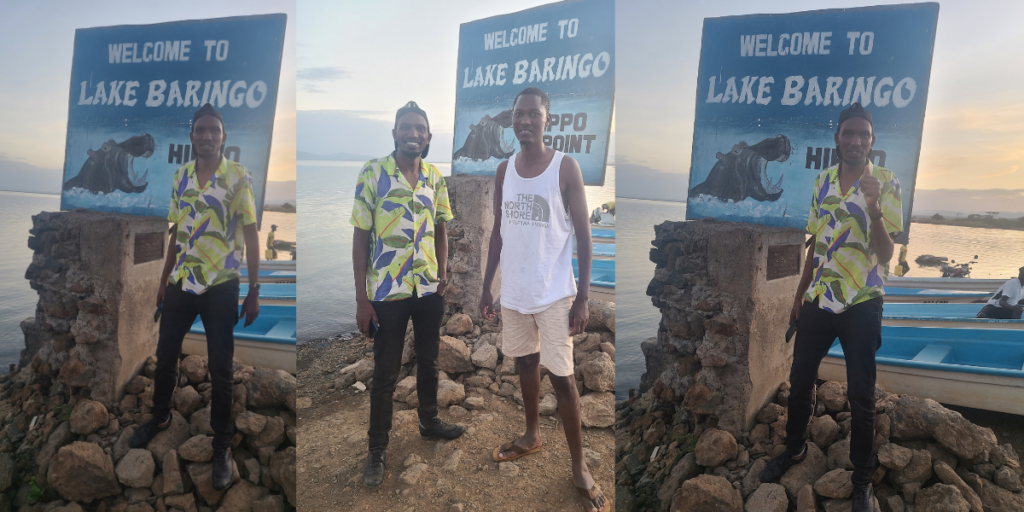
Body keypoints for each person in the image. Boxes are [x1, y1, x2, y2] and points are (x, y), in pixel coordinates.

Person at [760, 102, 902, 512]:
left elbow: (887, 254)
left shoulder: (887, 183)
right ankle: (795, 449)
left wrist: (873, 209)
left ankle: (862, 479)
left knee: (861, 394)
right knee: (800, 378)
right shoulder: (823, 181)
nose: (856, 140)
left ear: (872, 141)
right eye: (849, 133)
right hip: (820, 297)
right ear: (837, 138)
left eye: (863, 135)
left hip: (863, 301)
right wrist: (798, 297)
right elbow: (817, 247)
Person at [480, 87, 608, 512]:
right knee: (525, 364)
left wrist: (583, 297)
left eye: (533, 114)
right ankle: (532, 434)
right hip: (515, 292)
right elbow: (498, 232)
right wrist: (487, 287)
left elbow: (584, 236)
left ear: (547, 119)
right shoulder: (504, 171)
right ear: (511, 119)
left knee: (563, 378)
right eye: (519, 114)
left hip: (554, 294)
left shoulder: (565, 167)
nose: (525, 121)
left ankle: (579, 466)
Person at [130, 103, 261, 491]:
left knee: (221, 367)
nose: (207, 135)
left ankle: (221, 445)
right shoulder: (181, 176)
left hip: (221, 284)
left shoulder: (238, 177)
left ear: (223, 137)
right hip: (181, 282)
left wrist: (254, 291)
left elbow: (251, 234)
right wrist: (163, 279)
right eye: (200, 130)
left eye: (213, 130)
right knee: (166, 353)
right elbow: (176, 232)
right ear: (192, 136)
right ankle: (160, 417)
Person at [351, 101, 465, 487]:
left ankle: (429, 423)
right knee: (385, 373)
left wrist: (443, 273)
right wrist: (361, 298)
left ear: (428, 138)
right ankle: (377, 448)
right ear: (395, 133)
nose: (413, 134)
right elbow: (360, 236)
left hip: (428, 288)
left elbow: (441, 227)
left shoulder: (434, 178)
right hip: (387, 291)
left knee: (429, 362)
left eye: (420, 129)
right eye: (406, 127)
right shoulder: (373, 172)